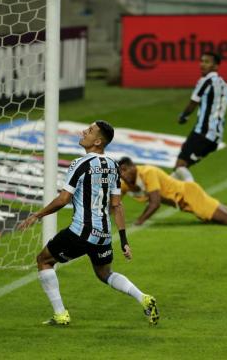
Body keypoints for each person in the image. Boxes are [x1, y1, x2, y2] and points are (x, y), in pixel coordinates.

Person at [18, 121, 159, 326]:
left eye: (90, 131)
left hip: (80, 231)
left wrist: (38, 215)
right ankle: (144, 298)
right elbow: (117, 206)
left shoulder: (80, 164)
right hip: (103, 233)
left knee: (44, 260)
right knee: (104, 273)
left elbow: (63, 199)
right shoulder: (113, 167)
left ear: (98, 141)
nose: (84, 132)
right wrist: (123, 241)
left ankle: (61, 314)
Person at [173, 51, 227, 182]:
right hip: (215, 139)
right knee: (182, 168)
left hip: (202, 133)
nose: (202, 64)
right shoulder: (224, 85)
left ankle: (193, 197)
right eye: (201, 61)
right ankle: (168, 197)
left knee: (180, 166)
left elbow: (193, 103)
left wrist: (183, 116)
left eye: (207, 62)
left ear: (215, 66)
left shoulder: (205, 81)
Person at [118, 156, 227, 226]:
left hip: (189, 194)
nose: (123, 175)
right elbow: (113, 202)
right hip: (186, 197)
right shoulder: (126, 184)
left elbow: (155, 203)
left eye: (124, 170)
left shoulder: (148, 172)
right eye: (120, 172)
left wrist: (140, 221)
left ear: (133, 166)